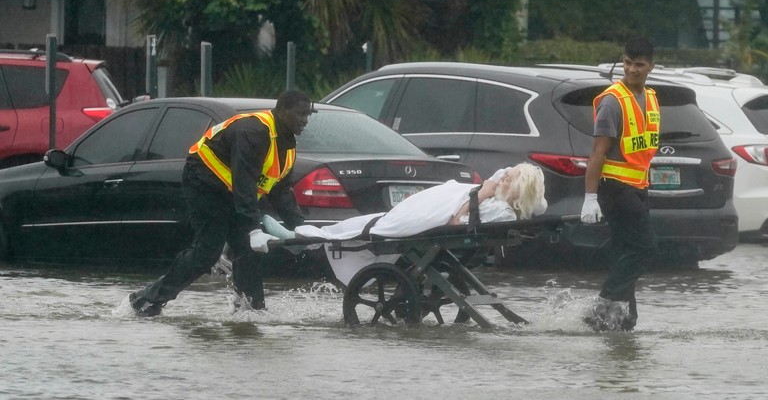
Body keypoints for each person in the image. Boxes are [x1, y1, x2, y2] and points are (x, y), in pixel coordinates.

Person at [128, 90, 314, 317]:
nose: (305, 121)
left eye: (308, 115)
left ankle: (250, 310)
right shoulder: (254, 131)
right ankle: (147, 300)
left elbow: (281, 190)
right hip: (204, 183)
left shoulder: (287, 145)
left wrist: (301, 227)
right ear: (283, 110)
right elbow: (244, 183)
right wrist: (253, 227)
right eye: (301, 114)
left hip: (233, 191)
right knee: (208, 251)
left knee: (249, 249)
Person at [581, 36, 660, 331]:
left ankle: (624, 320)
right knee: (646, 248)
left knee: (625, 251)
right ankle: (601, 308)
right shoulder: (613, 102)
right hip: (614, 188)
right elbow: (598, 151)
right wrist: (590, 197)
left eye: (639, 64)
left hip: (638, 188)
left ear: (651, 65)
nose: (632, 70)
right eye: (628, 63)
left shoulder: (650, 98)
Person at [291, 163, 546, 242]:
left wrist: (480, 194)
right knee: (371, 220)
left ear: (516, 192)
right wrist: (490, 187)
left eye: (506, 180)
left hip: (436, 219)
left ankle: (311, 235)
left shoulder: (501, 211)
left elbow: (458, 222)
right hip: (438, 205)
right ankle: (309, 234)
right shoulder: (500, 201)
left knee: (374, 224)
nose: (500, 180)